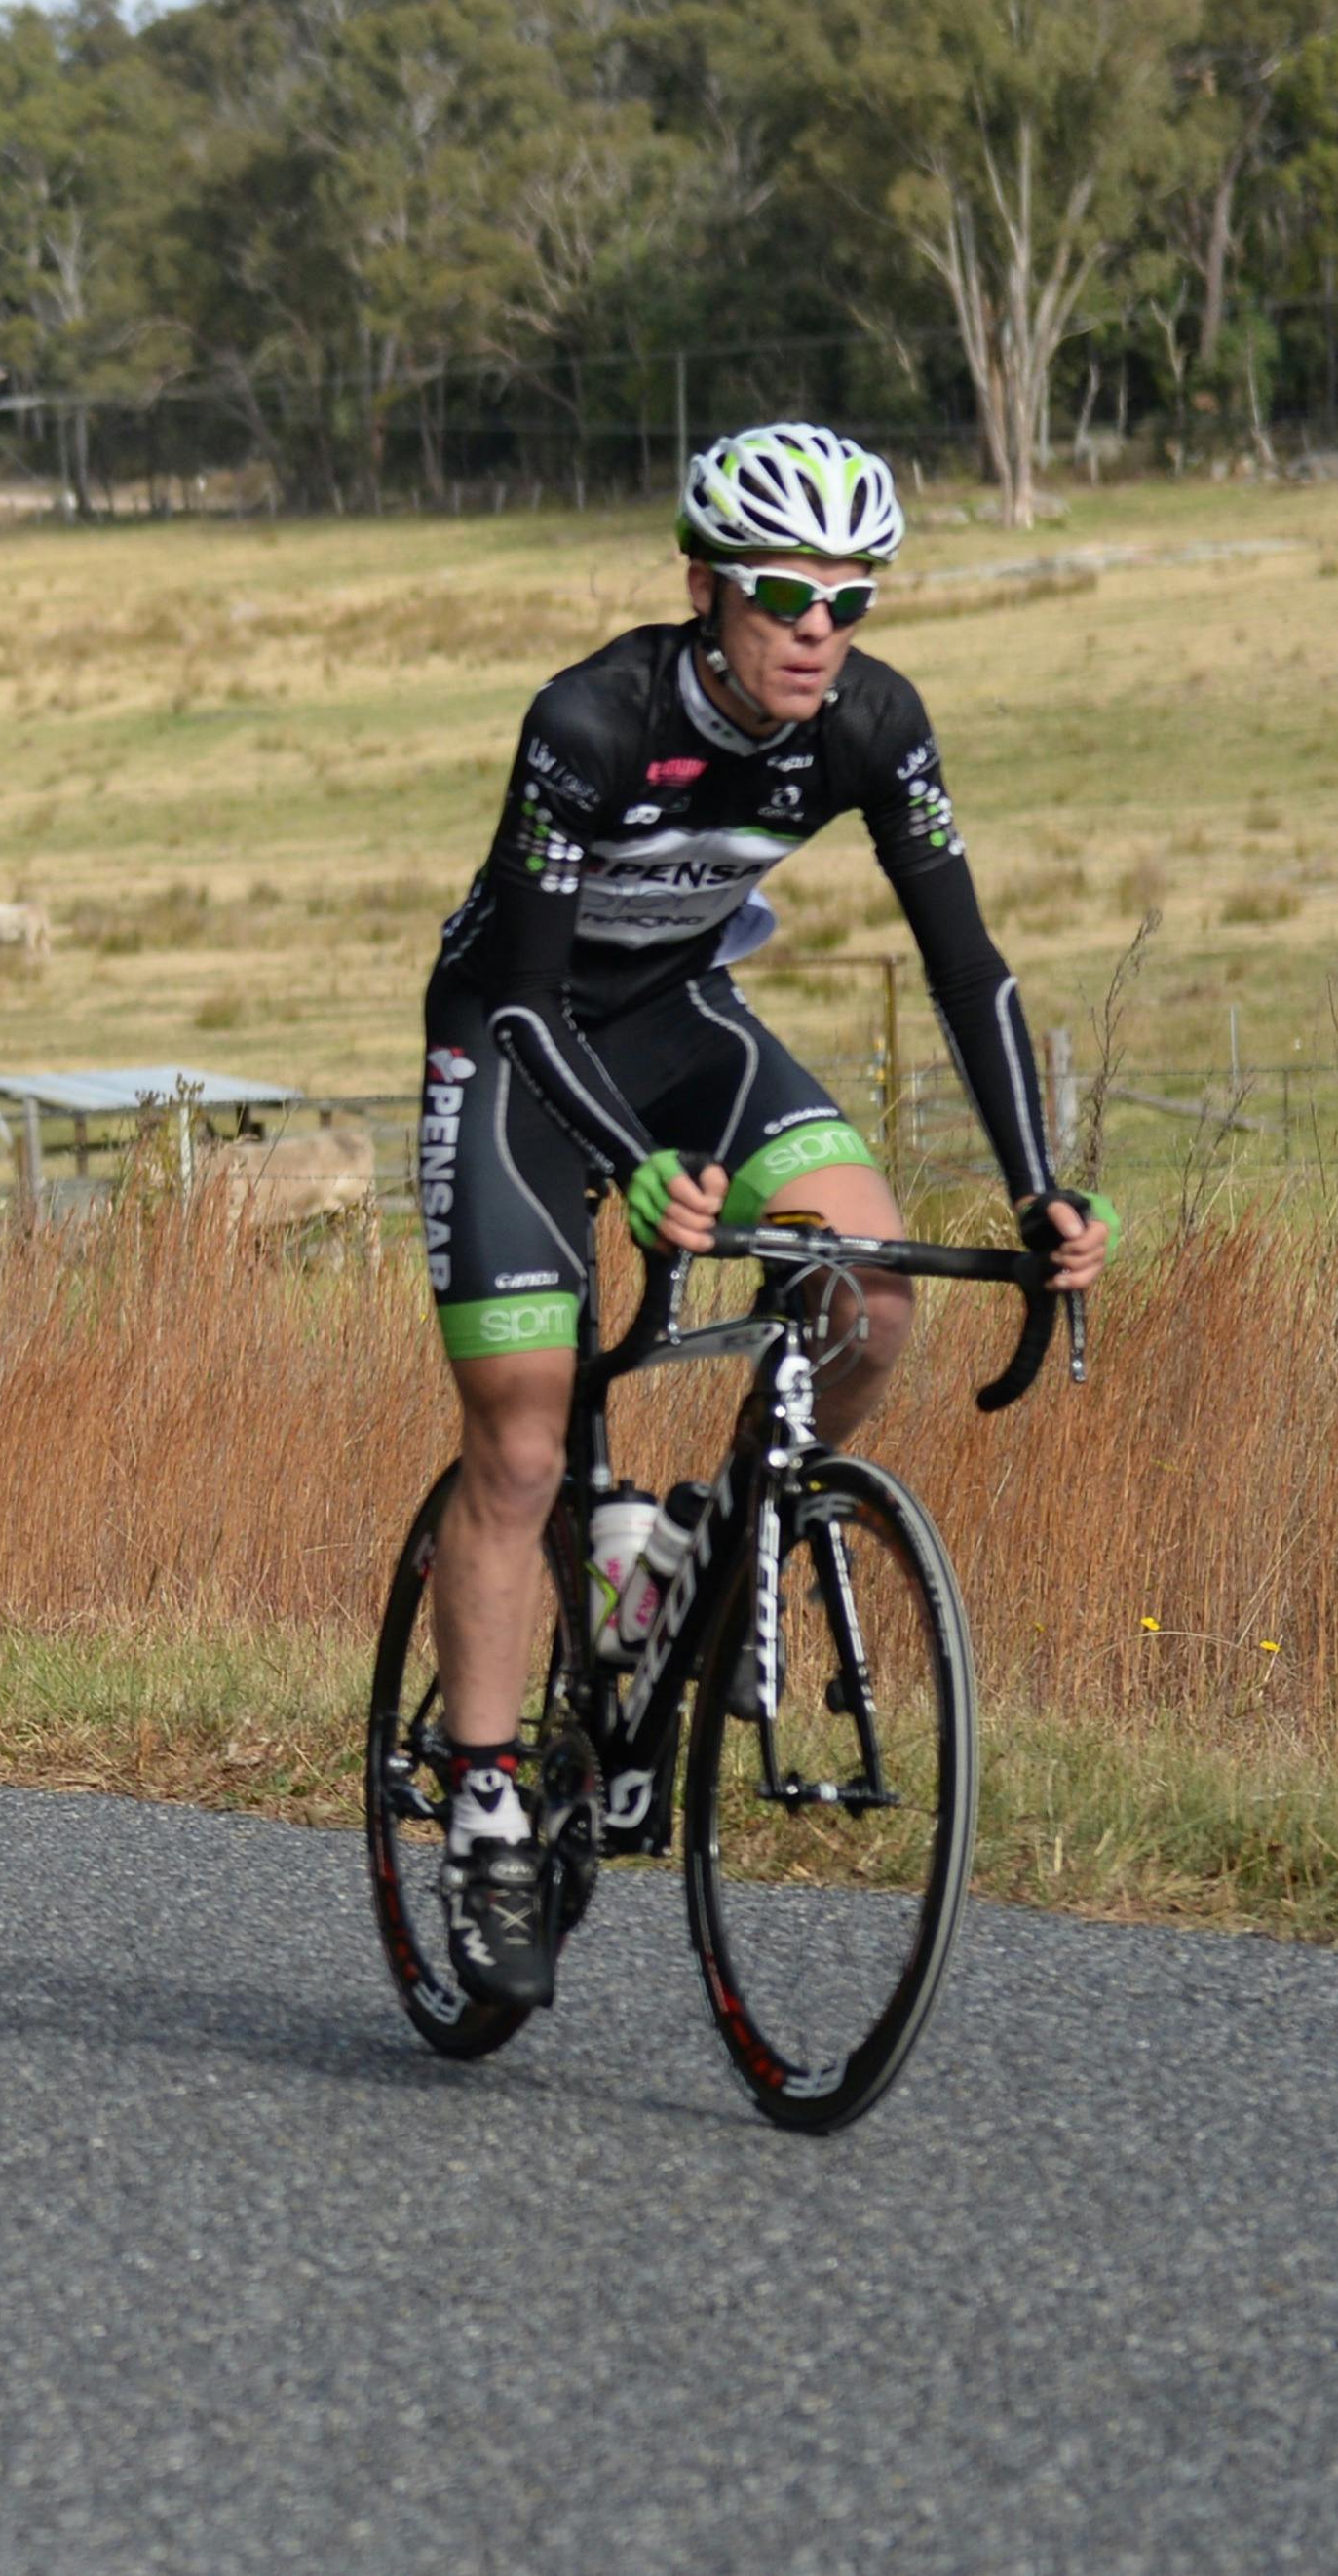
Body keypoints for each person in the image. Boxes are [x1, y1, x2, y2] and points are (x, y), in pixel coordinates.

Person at [416, 424, 1109, 2010]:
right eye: (783, 591)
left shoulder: (872, 722)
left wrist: (1035, 1185)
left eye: (852, 597)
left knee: (869, 1295)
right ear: (704, 587)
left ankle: (698, 1555)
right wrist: (634, 1172)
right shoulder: (588, 721)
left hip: (678, 1018)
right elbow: (521, 998)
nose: (819, 626)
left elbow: (964, 964)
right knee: (521, 1444)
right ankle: (481, 1804)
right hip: (515, 1048)